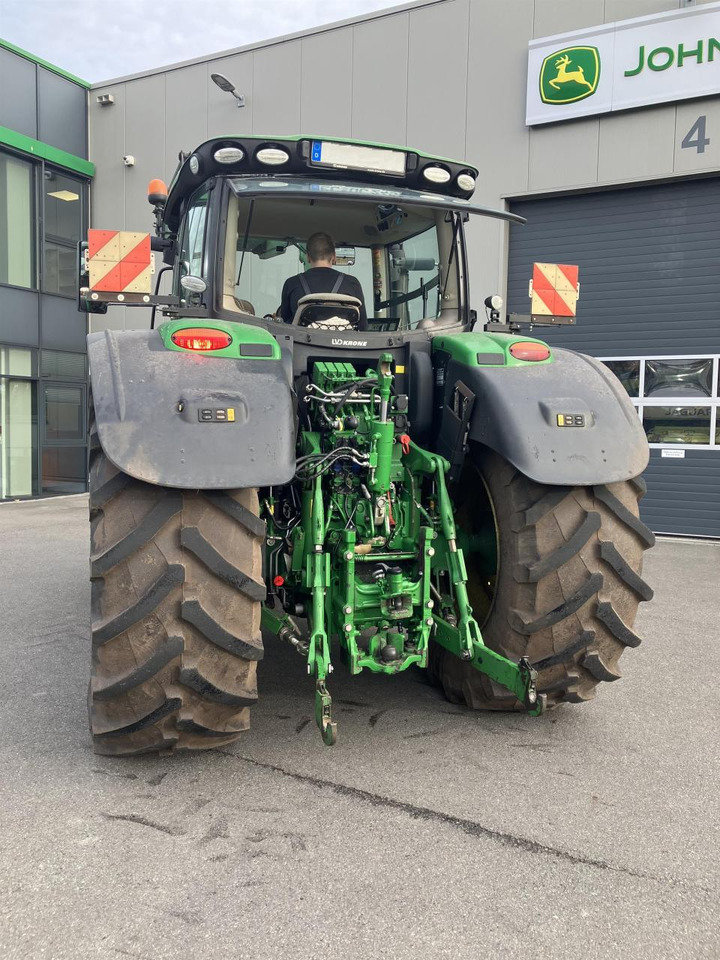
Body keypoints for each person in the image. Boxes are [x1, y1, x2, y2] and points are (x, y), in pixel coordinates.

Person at [279, 232, 367, 328]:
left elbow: (285, 326)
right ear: (334, 257)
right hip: (343, 342)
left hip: (302, 343)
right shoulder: (352, 283)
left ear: (308, 257)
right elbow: (363, 326)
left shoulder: (292, 283)